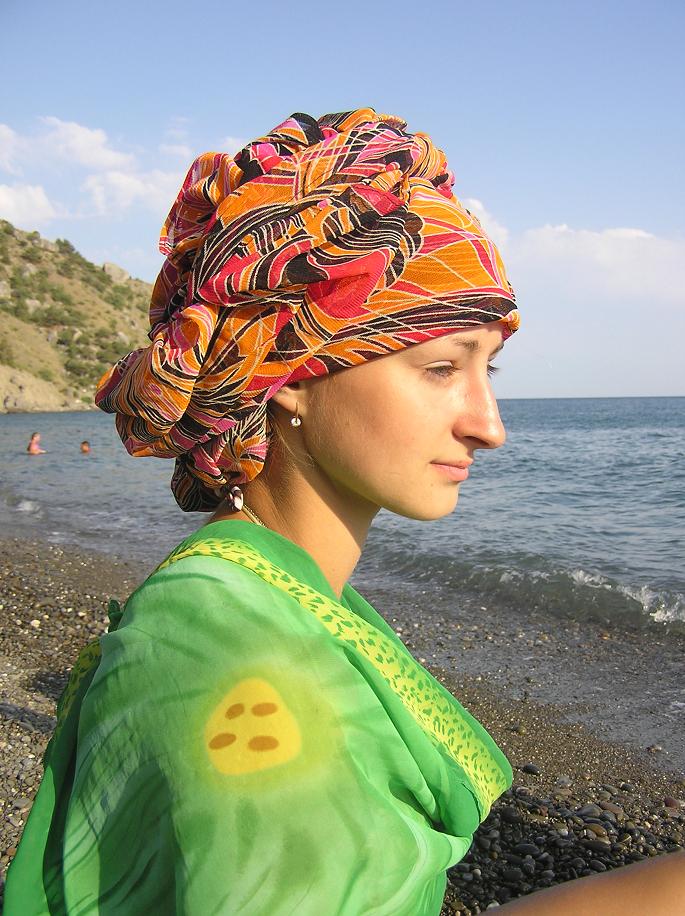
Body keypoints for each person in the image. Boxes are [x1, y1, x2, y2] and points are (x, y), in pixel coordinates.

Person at [5, 109, 682, 915]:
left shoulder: (269, 595)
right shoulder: (225, 653)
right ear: (288, 371)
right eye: (440, 368)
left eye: (490, 370)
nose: (488, 425)